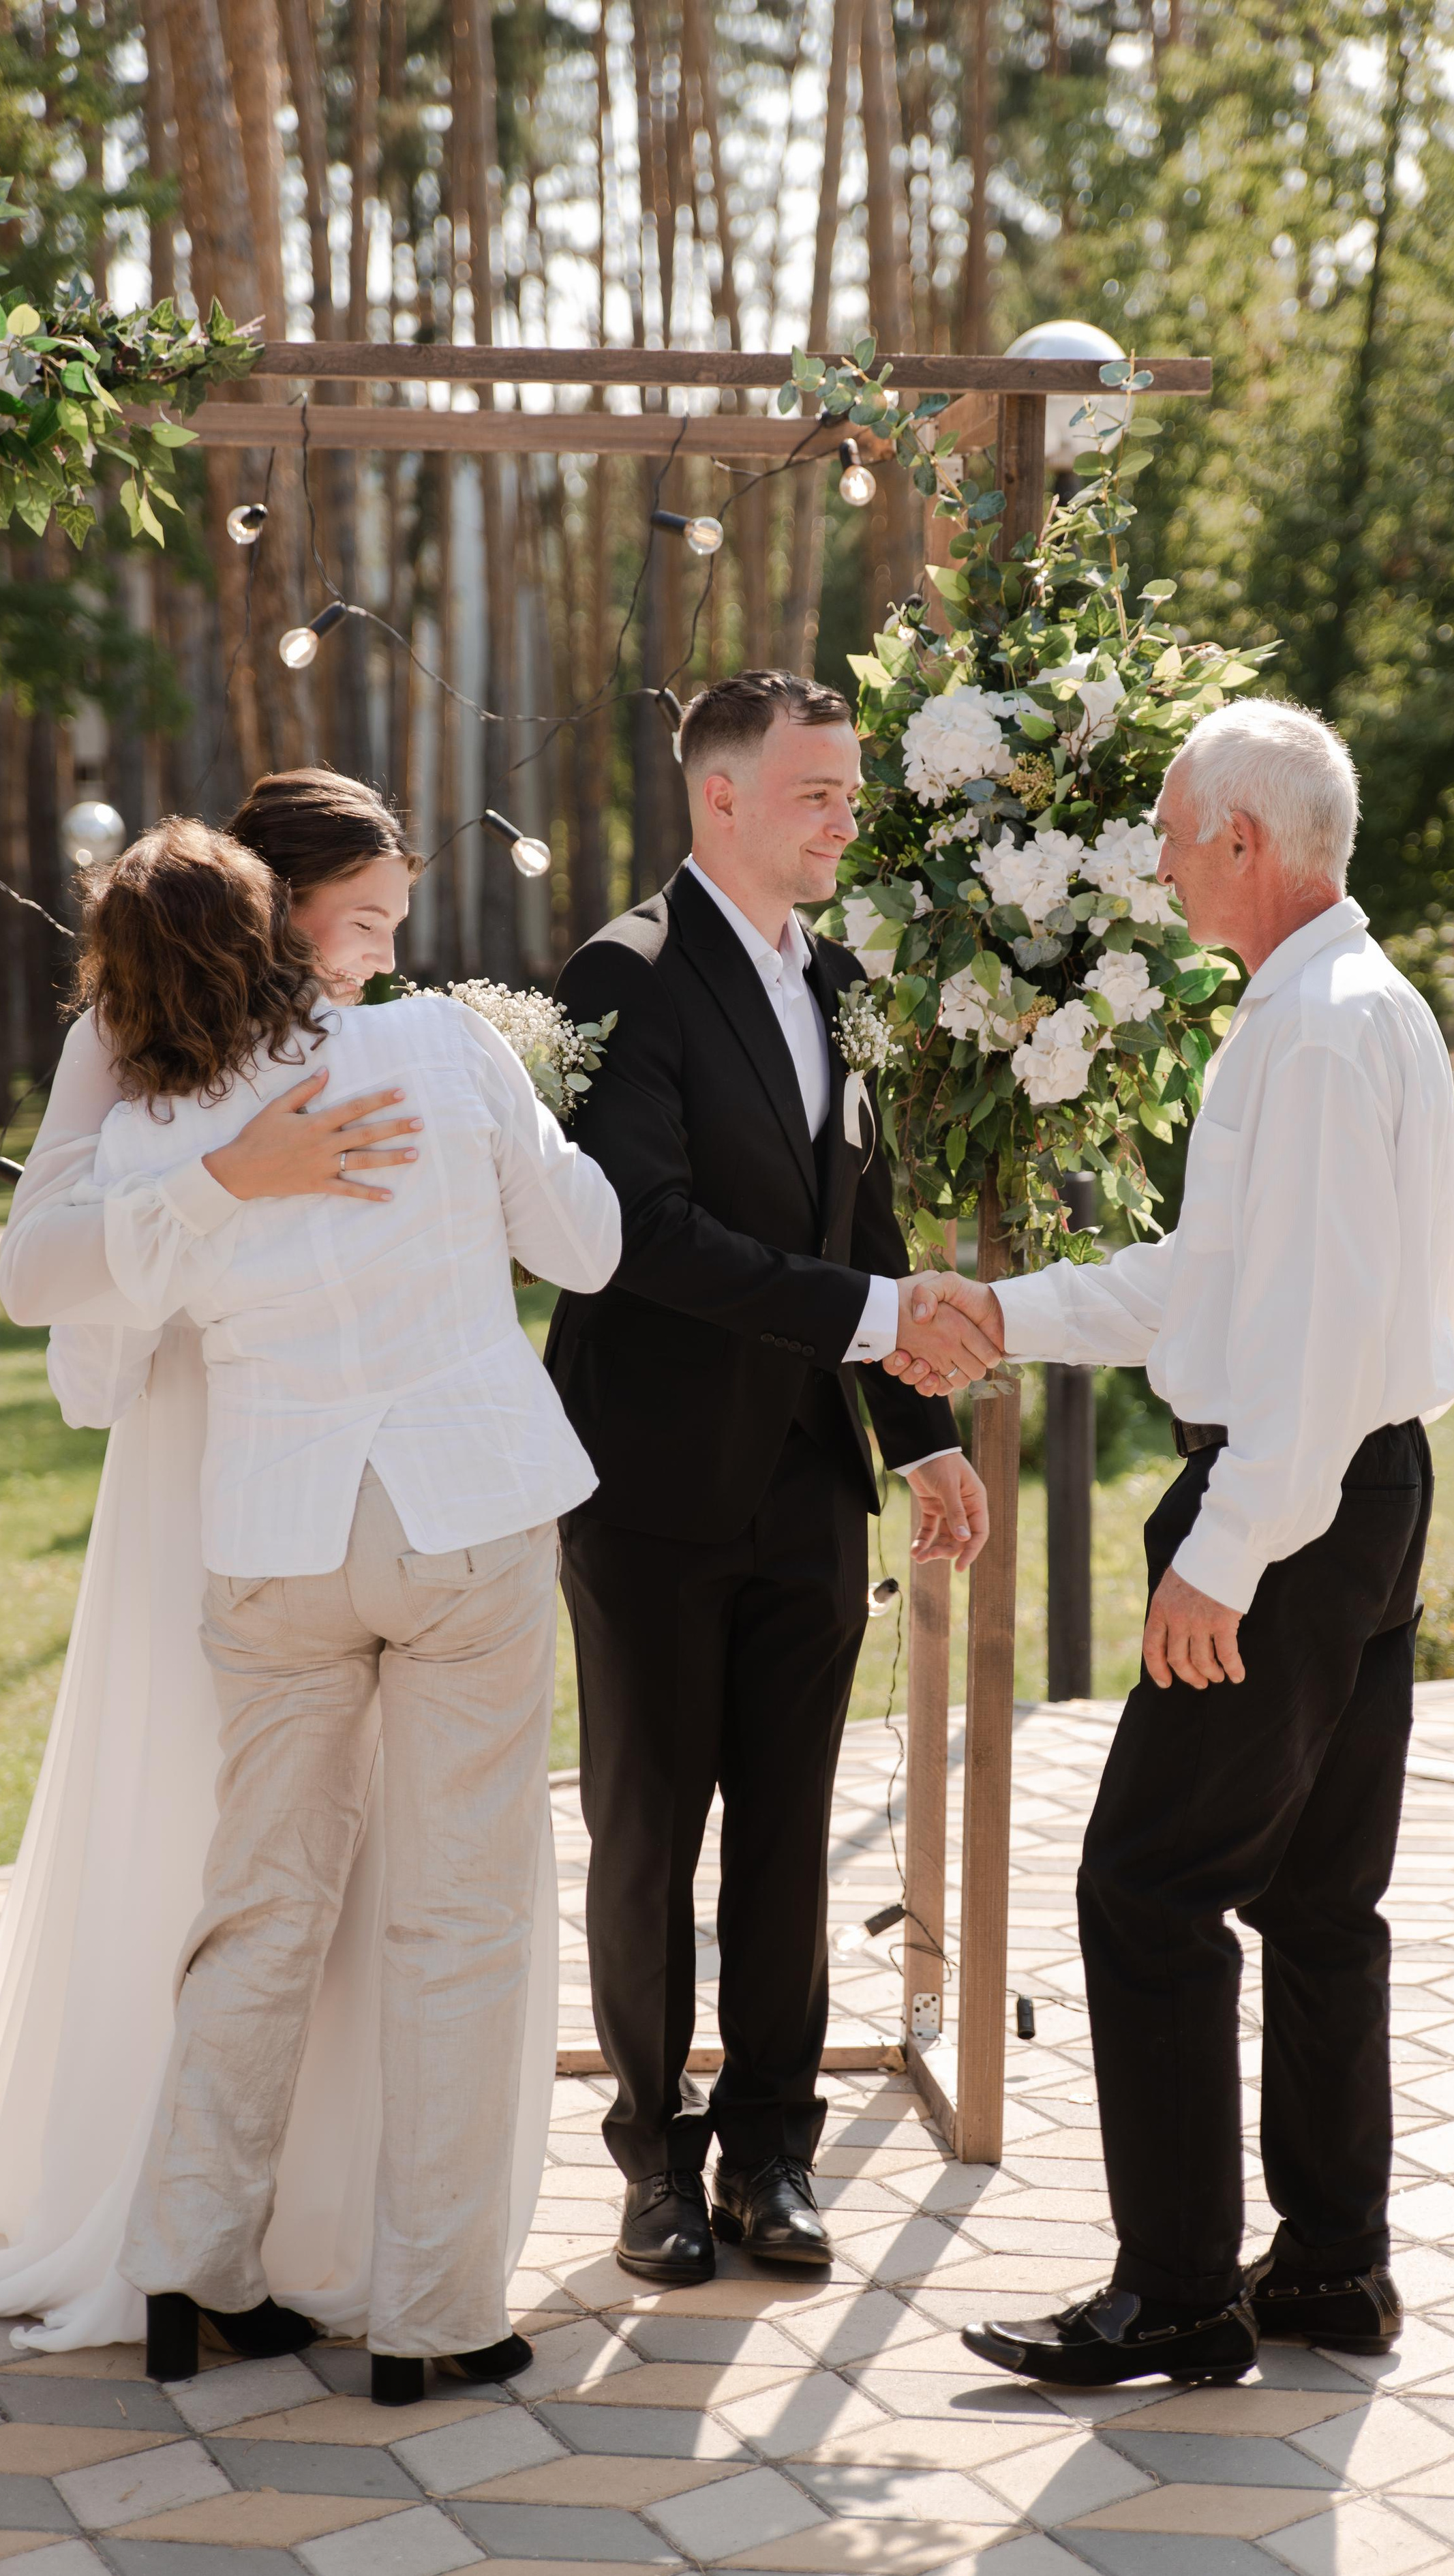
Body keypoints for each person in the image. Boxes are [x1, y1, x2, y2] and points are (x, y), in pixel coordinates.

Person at [894, 700, 1454, 2387]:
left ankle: (1179, 2294)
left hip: (1291, 1505)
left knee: (1144, 1887)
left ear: (1241, 841)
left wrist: (1221, 1552)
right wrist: (996, 1308)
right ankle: (1327, 2269)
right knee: (1316, 1898)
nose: (1150, 856)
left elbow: (1292, 1332)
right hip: (1363, 1489)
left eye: (1166, 827)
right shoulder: (1347, 1006)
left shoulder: (1307, 1034)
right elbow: (1207, 1283)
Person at [0, 771, 573, 2369]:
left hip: (274, 1521)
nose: (380, 949)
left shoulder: (200, 1090)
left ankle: (194, 2265)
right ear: (279, 914)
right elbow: (580, 1245)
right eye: (365, 918)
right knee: (443, 1915)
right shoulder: (410, 1050)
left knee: (266, 1905)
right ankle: (429, 2315)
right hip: (355, 1497)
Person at [547, 671, 998, 2283]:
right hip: (651, 1484)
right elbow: (644, 1237)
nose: (841, 818)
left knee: (791, 1833)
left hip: (808, 1486)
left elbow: (851, 1222)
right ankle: (654, 2166)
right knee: (646, 1832)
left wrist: (921, 1431)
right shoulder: (623, 975)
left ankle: (771, 2160)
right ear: (716, 796)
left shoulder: (842, 978)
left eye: (846, 791)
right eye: (814, 791)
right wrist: (876, 1314)